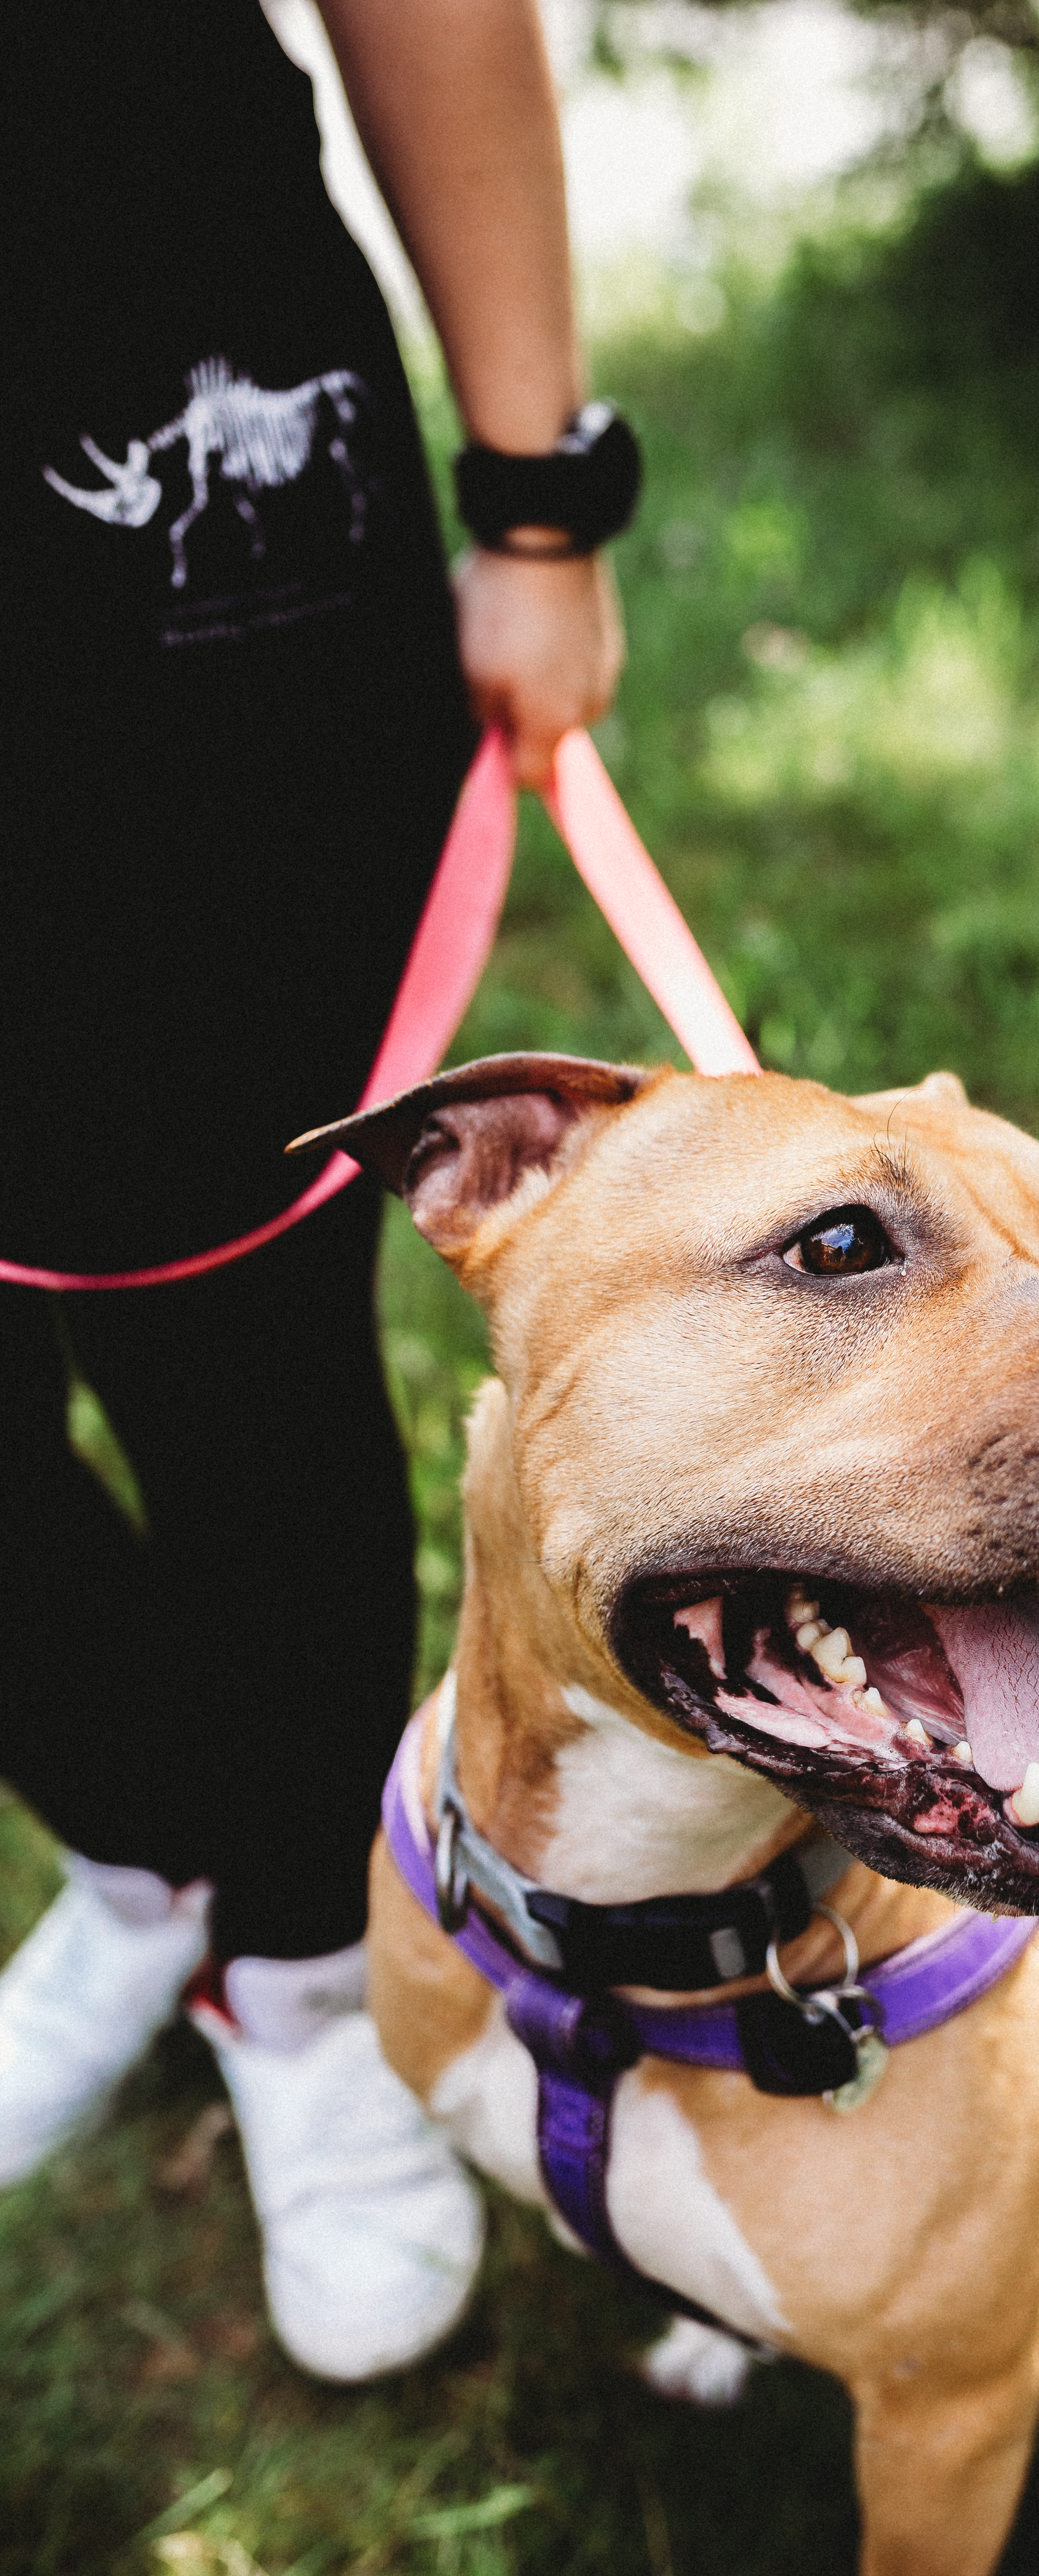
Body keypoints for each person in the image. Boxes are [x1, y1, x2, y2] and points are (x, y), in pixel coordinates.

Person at [0, 0, 631, 2381]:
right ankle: (149, 1850)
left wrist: (538, 497)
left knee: (233, 1332)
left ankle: (299, 1963)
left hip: (162, 508)